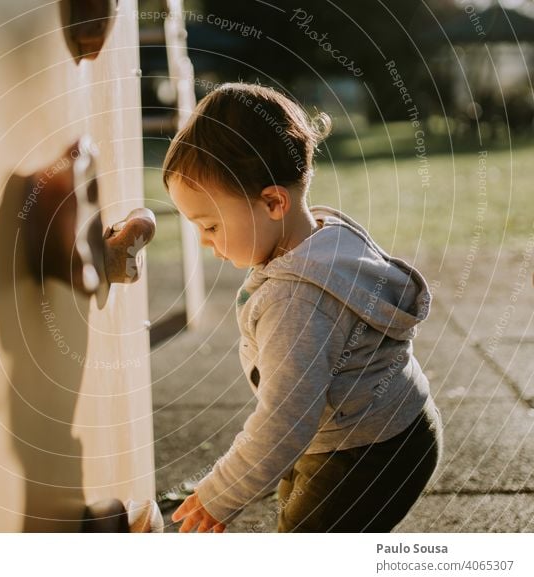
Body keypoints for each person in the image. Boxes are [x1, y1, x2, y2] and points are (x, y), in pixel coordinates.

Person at [165, 82, 443, 533]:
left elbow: (283, 421)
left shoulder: (295, 301)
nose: (204, 240)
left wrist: (220, 494)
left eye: (211, 224)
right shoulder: (328, 238)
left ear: (273, 202)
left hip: (367, 452)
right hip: (395, 424)